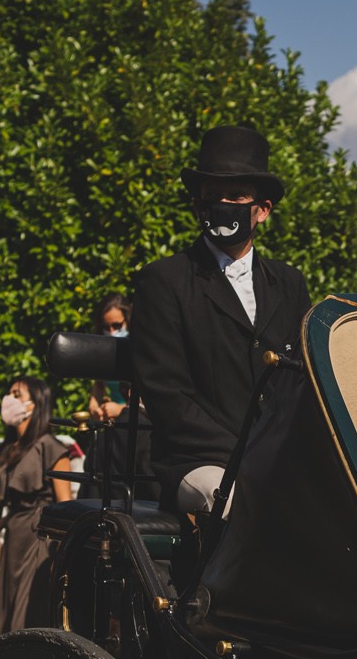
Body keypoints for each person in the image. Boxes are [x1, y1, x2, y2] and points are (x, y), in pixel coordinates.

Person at [132, 124, 312, 513]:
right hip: (199, 461)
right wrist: (247, 455)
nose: (223, 204)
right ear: (198, 205)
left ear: (262, 210)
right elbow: (167, 396)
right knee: (233, 506)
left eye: (236, 196)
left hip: (277, 457)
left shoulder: (290, 284)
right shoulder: (164, 280)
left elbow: (301, 385)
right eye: (213, 196)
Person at [0, 376, 75, 639]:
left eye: (17, 394)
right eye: (9, 393)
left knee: (27, 612)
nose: (9, 399)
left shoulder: (51, 447)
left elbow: (65, 505)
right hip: (14, 536)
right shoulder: (10, 447)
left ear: (35, 403)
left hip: (39, 536)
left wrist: (61, 555)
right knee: (6, 609)